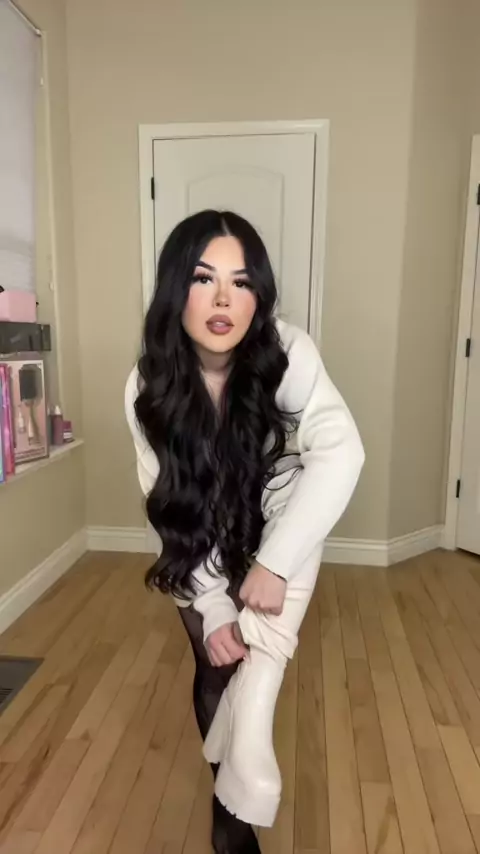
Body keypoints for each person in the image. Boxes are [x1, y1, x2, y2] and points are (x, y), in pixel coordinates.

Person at [125, 209, 364, 854]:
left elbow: (343, 452)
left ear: (260, 294)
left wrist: (275, 561)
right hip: (198, 533)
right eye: (204, 279)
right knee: (215, 661)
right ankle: (230, 799)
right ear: (176, 289)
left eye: (242, 281)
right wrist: (210, 605)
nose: (224, 299)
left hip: (271, 522)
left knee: (300, 486)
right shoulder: (147, 385)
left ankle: (238, 792)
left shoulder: (287, 351)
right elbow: (167, 505)